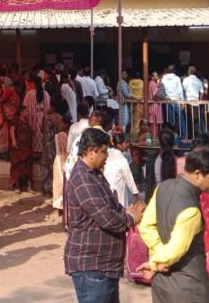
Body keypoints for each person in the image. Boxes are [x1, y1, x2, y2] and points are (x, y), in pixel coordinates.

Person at [64, 128, 144, 303]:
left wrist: (126, 212)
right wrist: (131, 218)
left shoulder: (94, 174)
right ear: (91, 152)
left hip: (105, 265)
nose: (107, 156)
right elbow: (107, 218)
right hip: (92, 265)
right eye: (103, 151)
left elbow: (112, 205)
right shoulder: (83, 178)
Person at [138, 145, 209, 302]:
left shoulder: (162, 187)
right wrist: (155, 263)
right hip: (188, 289)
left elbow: (146, 226)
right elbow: (174, 251)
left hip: (161, 285)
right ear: (198, 174)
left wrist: (158, 253)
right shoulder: (191, 210)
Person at [104, 133, 140, 207]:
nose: (127, 144)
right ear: (119, 145)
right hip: (117, 190)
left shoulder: (107, 154)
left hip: (106, 189)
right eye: (125, 143)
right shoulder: (121, 159)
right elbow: (129, 178)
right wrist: (135, 194)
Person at [23, 75, 50, 154]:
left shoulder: (29, 94)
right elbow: (48, 107)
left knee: (34, 136)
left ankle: (35, 153)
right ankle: (41, 153)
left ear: (33, 83)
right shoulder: (46, 94)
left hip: (33, 118)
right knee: (41, 136)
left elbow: (25, 107)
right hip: (43, 117)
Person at [10, 106, 34, 193]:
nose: (27, 113)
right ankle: (17, 187)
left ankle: (29, 187)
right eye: (26, 111)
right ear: (21, 112)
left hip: (27, 147)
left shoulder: (26, 122)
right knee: (18, 166)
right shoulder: (16, 120)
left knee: (28, 166)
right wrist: (14, 140)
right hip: (18, 147)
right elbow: (12, 130)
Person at [53, 113, 70, 213]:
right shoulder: (70, 133)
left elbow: (59, 150)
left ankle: (60, 206)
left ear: (66, 124)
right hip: (69, 161)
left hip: (60, 160)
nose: (60, 125)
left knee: (59, 184)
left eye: (62, 123)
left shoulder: (60, 135)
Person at [149, 71, 164, 140]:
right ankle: (154, 138)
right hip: (155, 105)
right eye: (154, 76)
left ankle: (153, 138)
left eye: (157, 75)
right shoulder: (153, 83)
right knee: (155, 123)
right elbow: (155, 95)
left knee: (153, 123)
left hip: (152, 105)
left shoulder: (150, 83)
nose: (156, 77)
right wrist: (163, 98)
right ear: (151, 77)